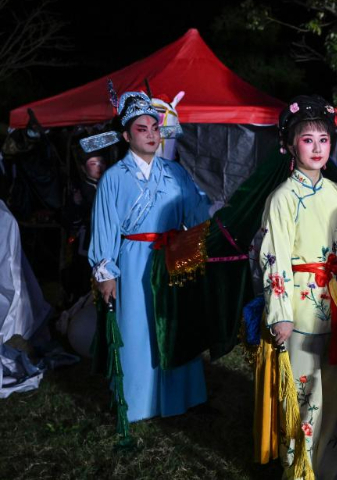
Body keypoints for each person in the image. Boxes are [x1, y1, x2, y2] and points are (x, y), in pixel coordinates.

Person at [257, 95, 337, 479]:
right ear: (290, 145)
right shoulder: (282, 198)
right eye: (308, 139)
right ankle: (299, 470)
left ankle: (328, 468)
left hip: (335, 307)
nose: (318, 148)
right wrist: (280, 315)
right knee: (304, 396)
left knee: (334, 396)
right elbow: (274, 258)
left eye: (324, 139)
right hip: (300, 311)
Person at [89, 91, 210, 422]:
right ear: (127, 136)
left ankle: (180, 398)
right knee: (137, 330)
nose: (151, 135)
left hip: (170, 259)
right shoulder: (114, 178)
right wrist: (107, 273)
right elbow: (105, 227)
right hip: (133, 262)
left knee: (173, 327)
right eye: (142, 129)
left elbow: (197, 214)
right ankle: (138, 403)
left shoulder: (175, 173)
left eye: (155, 128)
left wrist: (213, 227)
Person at [62, 150, 107, 303]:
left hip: (108, 240)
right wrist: (76, 204)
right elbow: (69, 218)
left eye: (101, 162)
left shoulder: (111, 186)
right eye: (93, 163)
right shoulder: (79, 189)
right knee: (85, 277)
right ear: (83, 168)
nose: (98, 167)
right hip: (87, 242)